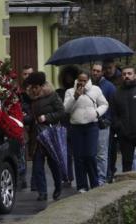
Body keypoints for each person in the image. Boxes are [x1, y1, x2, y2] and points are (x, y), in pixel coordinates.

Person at [23, 71, 66, 201]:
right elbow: (31, 117)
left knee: (53, 164)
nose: (33, 90)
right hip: (36, 137)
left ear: (42, 86)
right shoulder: (30, 99)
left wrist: (46, 117)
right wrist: (24, 118)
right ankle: (42, 192)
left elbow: (61, 112)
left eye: (36, 87)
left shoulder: (52, 95)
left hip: (50, 134)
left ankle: (58, 187)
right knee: (37, 166)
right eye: (32, 87)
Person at [63, 71, 108, 192]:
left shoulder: (95, 89)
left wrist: (97, 113)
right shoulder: (70, 91)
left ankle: (94, 184)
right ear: (77, 80)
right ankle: (82, 186)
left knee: (90, 155)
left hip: (91, 126)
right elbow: (66, 109)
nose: (82, 83)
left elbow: (104, 104)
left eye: (84, 80)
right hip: (76, 127)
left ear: (88, 80)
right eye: (80, 80)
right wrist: (75, 97)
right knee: (78, 157)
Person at [89, 64, 116, 185]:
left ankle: (102, 178)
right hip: (90, 123)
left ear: (102, 72)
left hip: (103, 124)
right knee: (92, 153)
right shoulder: (88, 85)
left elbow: (113, 104)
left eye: (98, 71)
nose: (95, 73)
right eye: (94, 70)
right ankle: (95, 177)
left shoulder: (109, 87)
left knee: (102, 153)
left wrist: (109, 119)